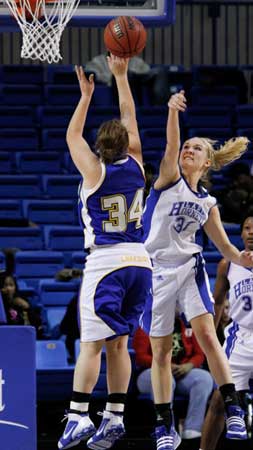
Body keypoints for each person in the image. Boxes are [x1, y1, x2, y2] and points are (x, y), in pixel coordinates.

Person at [141, 89, 253, 450]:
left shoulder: (207, 203)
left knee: (207, 335)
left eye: (197, 149)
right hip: (155, 270)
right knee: (159, 353)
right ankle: (163, 424)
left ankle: (234, 406)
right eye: (187, 146)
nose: (188, 150)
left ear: (207, 164)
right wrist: (173, 112)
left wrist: (241, 259)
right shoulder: (168, 179)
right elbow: (171, 146)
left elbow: (224, 247)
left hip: (189, 267)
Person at [58, 55, 152, 450]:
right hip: (140, 263)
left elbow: (70, 137)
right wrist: (121, 76)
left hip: (107, 262)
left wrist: (85, 96)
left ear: (100, 146)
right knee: (119, 344)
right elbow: (128, 113)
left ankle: (78, 416)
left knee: (91, 344)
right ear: (128, 144)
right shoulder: (139, 164)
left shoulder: (94, 172)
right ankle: (114, 415)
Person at [200, 215, 253, 450]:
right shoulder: (227, 265)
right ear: (241, 234)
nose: (251, 232)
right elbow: (219, 301)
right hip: (241, 337)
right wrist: (210, 335)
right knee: (220, 400)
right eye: (247, 228)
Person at [133, 318, 213, 443]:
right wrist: (164, 365)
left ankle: (192, 429)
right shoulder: (146, 323)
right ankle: (166, 428)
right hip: (149, 372)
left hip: (180, 371)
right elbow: (141, 356)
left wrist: (189, 365)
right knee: (166, 379)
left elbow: (199, 354)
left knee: (204, 378)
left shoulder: (188, 325)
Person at [0, 273, 44, 338]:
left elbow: (36, 324)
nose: (8, 289)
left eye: (11, 285)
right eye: (5, 285)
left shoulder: (22, 300)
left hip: (22, 336)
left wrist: (28, 308)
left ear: (15, 287)